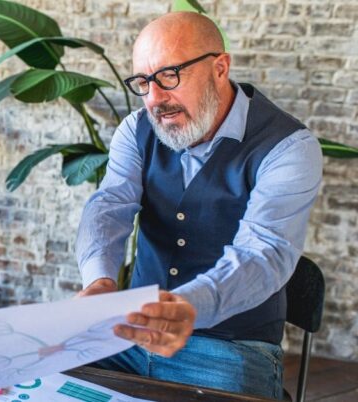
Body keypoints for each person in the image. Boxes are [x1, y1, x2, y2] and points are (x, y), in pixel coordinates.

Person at [75, 12, 322, 399]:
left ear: (220, 68)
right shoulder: (135, 129)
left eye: (170, 75)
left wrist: (188, 307)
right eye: (144, 82)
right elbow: (108, 205)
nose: (155, 98)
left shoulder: (288, 147)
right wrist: (100, 280)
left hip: (230, 348)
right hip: (129, 333)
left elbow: (264, 253)